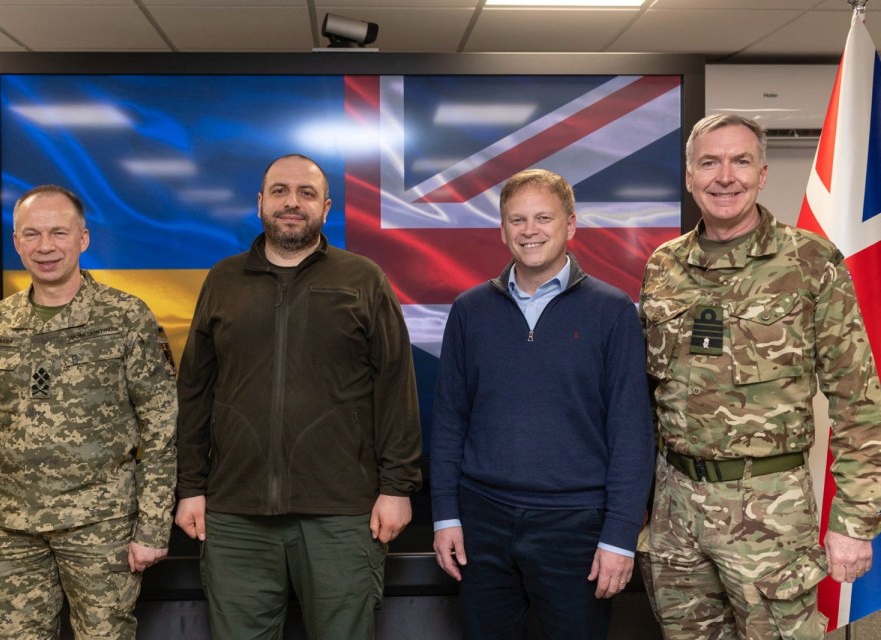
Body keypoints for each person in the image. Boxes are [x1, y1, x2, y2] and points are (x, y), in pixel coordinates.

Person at [641, 113, 881, 639]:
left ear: (763, 173)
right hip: (674, 512)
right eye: (710, 162)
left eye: (740, 161)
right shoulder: (664, 266)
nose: (725, 176)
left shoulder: (811, 262)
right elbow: (647, 395)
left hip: (770, 514)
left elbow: (858, 400)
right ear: (689, 176)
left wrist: (855, 523)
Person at [174, 153, 423, 640]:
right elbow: (195, 390)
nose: (293, 203)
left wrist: (397, 488)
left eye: (306, 193)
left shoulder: (363, 279)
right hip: (235, 514)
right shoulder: (223, 280)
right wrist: (190, 487)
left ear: (326, 207)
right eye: (281, 191)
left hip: (342, 514)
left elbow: (396, 386)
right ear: (260, 203)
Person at [0, 184, 178, 639]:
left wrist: (153, 526)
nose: (46, 247)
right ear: (17, 242)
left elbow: (162, 428)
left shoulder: (125, 319)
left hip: (100, 527)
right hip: (11, 532)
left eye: (59, 233)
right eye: (32, 234)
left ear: (83, 239)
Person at [431, 168, 654, 639]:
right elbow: (450, 420)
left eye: (543, 218)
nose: (529, 230)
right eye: (517, 220)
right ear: (502, 229)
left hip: (577, 527)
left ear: (570, 226)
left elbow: (631, 430)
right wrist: (446, 516)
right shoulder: (470, 310)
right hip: (481, 523)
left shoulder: (612, 311)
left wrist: (620, 535)